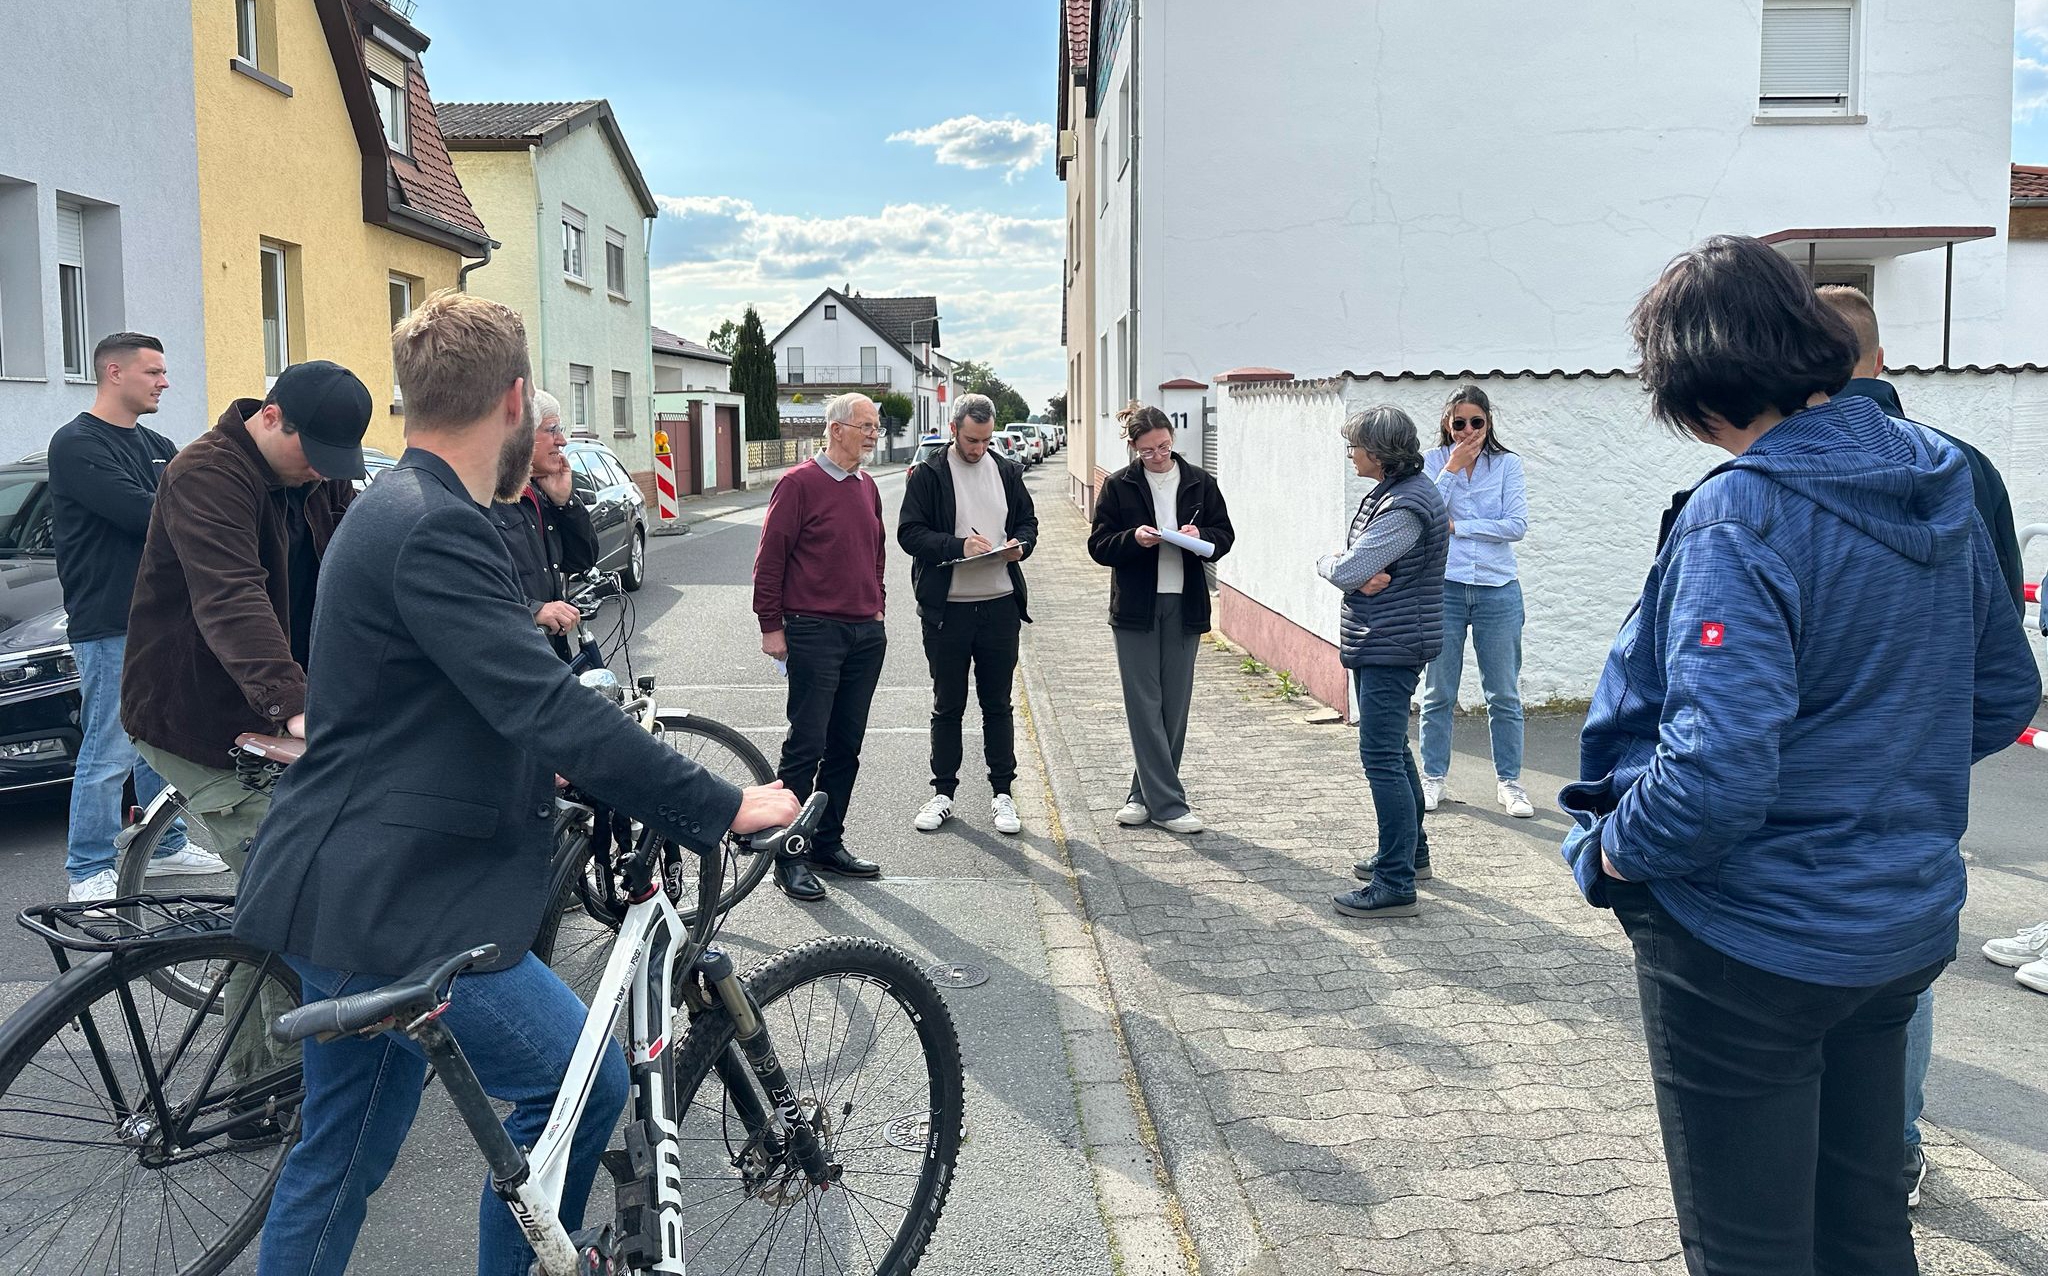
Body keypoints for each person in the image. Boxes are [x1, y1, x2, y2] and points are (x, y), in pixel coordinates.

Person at [232, 289, 799, 1276]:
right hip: (401, 908)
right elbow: (542, 705)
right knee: (577, 1092)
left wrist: (580, 761)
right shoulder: (435, 526)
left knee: (341, 1156)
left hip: (340, 893)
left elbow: (461, 702)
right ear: (515, 398)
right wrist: (717, 803)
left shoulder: (400, 508)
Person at [1559, 235, 2039, 1276]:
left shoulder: (1742, 510)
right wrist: (1877, 773)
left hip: (1747, 937)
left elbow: (1711, 775)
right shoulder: (1939, 476)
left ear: (1696, 389)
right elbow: (2004, 691)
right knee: (1863, 1226)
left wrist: (1610, 854)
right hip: (1896, 918)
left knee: (1749, 1249)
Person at [1816, 282, 2029, 1209]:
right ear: (1882, 357)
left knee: (1799, 954)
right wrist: (1941, 750)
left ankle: (1816, 1150)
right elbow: (2004, 666)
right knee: (1902, 965)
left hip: (1809, 770)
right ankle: (1891, 1154)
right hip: (1922, 767)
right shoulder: (1967, 467)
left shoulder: (1770, 467)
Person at [122, 361, 368, 1085]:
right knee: (289, 881)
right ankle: (260, 1082)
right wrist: (295, 707)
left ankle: (290, 1055)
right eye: (312, 457)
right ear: (271, 416)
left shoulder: (317, 474)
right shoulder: (206, 474)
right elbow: (231, 598)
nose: (321, 476)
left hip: (276, 713)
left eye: (334, 464)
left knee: (302, 873)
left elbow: (365, 566)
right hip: (196, 716)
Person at [49, 332, 219, 903]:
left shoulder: (160, 444)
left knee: (163, 733)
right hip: (109, 619)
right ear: (114, 373)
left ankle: (164, 846)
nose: (164, 382)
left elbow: (191, 506)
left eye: (165, 372)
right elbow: (147, 513)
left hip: (165, 617)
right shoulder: (76, 445)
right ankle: (88, 868)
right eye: (153, 372)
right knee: (111, 742)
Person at [753, 391, 890, 901]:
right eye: (866, 426)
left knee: (845, 748)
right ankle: (788, 854)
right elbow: (770, 561)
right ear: (835, 430)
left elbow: (874, 553)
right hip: (813, 632)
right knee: (806, 744)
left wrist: (877, 605)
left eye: (876, 426)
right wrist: (772, 625)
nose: (875, 434)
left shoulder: (868, 486)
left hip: (863, 633)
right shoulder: (797, 485)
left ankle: (826, 844)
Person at [1319, 407, 1450, 919]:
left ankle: (1394, 883)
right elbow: (1364, 570)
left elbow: (1352, 567)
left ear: (1378, 452)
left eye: (1354, 446)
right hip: (1389, 638)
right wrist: (1357, 574)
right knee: (1394, 750)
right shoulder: (1400, 492)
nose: (1351, 454)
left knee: (1380, 758)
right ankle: (1410, 856)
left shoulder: (1404, 507)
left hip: (1390, 644)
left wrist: (1330, 564)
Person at [1086, 403, 1235, 835]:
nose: (1158, 456)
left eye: (1164, 446)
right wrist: (1132, 539)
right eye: (1148, 451)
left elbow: (1224, 535)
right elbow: (1098, 546)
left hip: (1184, 604)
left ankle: (1140, 794)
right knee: (1143, 704)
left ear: (1172, 438)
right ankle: (1169, 805)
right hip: (1135, 608)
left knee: (1174, 706)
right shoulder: (1118, 486)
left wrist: (1200, 537)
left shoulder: (1199, 482)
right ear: (1133, 448)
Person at [897, 392, 1037, 836]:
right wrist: (958, 547)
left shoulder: (1008, 471)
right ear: (954, 429)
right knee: (948, 705)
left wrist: (1021, 546)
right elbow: (909, 533)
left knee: (997, 704)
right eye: (972, 439)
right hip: (947, 612)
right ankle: (943, 793)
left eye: (986, 440)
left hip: (999, 607)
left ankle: (1002, 795)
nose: (979, 449)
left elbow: (1029, 524)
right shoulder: (928, 473)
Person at [1418, 387, 1532, 819]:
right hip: (1444, 586)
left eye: (1476, 423)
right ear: (1447, 423)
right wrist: (1451, 468)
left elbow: (1516, 525)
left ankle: (1510, 783)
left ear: (1489, 422)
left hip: (1498, 588)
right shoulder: (1432, 462)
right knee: (1438, 692)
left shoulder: (1507, 464)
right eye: (1459, 423)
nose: (1468, 431)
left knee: (1502, 692)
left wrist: (1460, 527)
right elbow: (1425, 513)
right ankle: (1433, 779)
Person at [485, 388, 598, 660]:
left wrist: (565, 502)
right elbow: (477, 594)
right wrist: (534, 610)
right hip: (518, 662)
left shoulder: (539, 494)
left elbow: (581, 560)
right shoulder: (487, 499)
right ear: (522, 435)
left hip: (553, 655)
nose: (562, 441)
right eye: (552, 429)